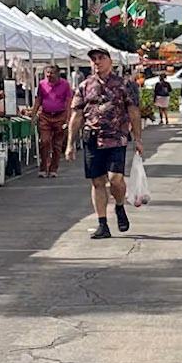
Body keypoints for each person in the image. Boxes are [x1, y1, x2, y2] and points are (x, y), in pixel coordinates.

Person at [68, 44, 144, 239]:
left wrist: (138, 138)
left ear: (110, 61)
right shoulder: (85, 86)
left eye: (101, 58)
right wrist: (70, 144)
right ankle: (102, 224)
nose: (97, 62)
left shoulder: (124, 84)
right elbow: (76, 115)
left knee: (115, 179)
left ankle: (119, 206)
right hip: (92, 138)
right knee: (97, 182)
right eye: (94, 59)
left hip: (116, 138)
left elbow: (134, 112)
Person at [32, 64, 72, 179]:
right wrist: (33, 115)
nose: (49, 75)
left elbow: (68, 102)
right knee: (44, 142)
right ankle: (43, 168)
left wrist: (68, 118)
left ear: (57, 74)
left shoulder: (65, 85)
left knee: (57, 145)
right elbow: (38, 99)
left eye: (52, 73)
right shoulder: (42, 84)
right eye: (47, 73)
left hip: (60, 116)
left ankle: (53, 169)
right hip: (45, 116)